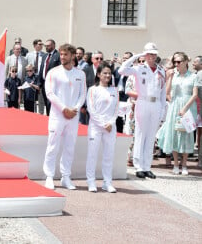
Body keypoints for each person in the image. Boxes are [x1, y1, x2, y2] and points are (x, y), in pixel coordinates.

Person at [118, 42, 166, 179]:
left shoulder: (161, 70)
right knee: (140, 134)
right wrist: (137, 56)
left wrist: (163, 109)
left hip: (156, 103)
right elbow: (122, 70)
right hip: (143, 102)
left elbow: (163, 93)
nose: (151, 56)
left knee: (151, 137)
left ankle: (147, 167)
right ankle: (138, 166)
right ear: (145, 54)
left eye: (154, 54)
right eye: (149, 53)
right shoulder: (138, 68)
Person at [42, 43, 87, 190]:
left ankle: (65, 176)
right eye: (61, 54)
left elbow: (82, 94)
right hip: (57, 115)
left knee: (69, 146)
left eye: (65, 54)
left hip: (73, 116)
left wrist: (74, 109)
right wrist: (63, 108)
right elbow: (49, 93)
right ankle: (49, 176)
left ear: (73, 56)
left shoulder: (80, 74)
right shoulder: (53, 72)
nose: (62, 57)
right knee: (52, 145)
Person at [157, 52, 197, 176]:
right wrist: (169, 77)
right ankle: (175, 164)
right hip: (174, 106)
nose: (176, 64)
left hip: (188, 106)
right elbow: (168, 93)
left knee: (185, 135)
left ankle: (184, 164)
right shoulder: (174, 75)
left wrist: (185, 108)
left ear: (186, 62)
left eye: (179, 62)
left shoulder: (193, 76)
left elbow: (194, 94)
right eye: (175, 62)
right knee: (174, 134)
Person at [85, 63, 119, 193]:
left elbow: (116, 109)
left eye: (109, 73)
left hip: (111, 127)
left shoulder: (114, 90)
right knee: (92, 154)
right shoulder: (92, 90)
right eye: (104, 73)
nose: (107, 75)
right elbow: (91, 109)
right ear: (98, 74)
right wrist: (102, 123)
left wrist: (111, 122)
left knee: (108, 155)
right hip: (96, 126)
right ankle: (91, 181)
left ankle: (107, 182)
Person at [38, 39, 60, 115]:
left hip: (53, 84)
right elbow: (41, 69)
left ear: (53, 45)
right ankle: (48, 117)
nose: (46, 47)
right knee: (46, 103)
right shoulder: (45, 56)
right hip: (44, 83)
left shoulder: (58, 55)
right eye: (45, 46)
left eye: (48, 46)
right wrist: (39, 83)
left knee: (51, 103)